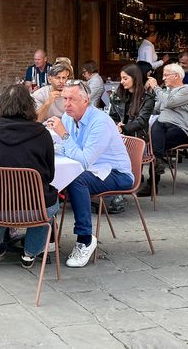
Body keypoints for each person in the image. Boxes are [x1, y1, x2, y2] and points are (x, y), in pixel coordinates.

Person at [47, 81, 133, 268]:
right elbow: (68, 149)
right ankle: (48, 235)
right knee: (48, 174)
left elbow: (84, 160)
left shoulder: (100, 122)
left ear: (85, 101)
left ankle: (85, 240)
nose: (66, 104)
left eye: (72, 99)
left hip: (116, 173)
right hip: (91, 170)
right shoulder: (69, 117)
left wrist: (63, 135)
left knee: (77, 181)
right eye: (64, 99)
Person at [0, 83, 58, 268]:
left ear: (1, 104)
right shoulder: (42, 134)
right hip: (33, 209)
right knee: (49, 200)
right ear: (29, 106)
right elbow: (49, 175)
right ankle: (30, 253)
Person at [108, 63, 156, 210]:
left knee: (116, 153)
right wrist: (116, 125)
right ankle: (111, 190)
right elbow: (112, 116)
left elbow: (142, 121)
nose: (122, 82)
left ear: (135, 78)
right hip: (119, 136)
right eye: (121, 78)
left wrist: (124, 128)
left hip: (137, 138)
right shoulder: (118, 95)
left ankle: (118, 192)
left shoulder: (147, 98)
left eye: (125, 78)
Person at [147, 63, 188, 190]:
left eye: (166, 75)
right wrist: (149, 94)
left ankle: (152, 185)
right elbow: (155, 109)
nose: (163, 78)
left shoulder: (187, 89)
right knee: (154, 139)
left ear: (176, 76)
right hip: (163, 128)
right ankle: (155, 169)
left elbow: (170, 102)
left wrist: (156, 87)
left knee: (154, 142)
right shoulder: (165, 92)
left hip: (180, 130)